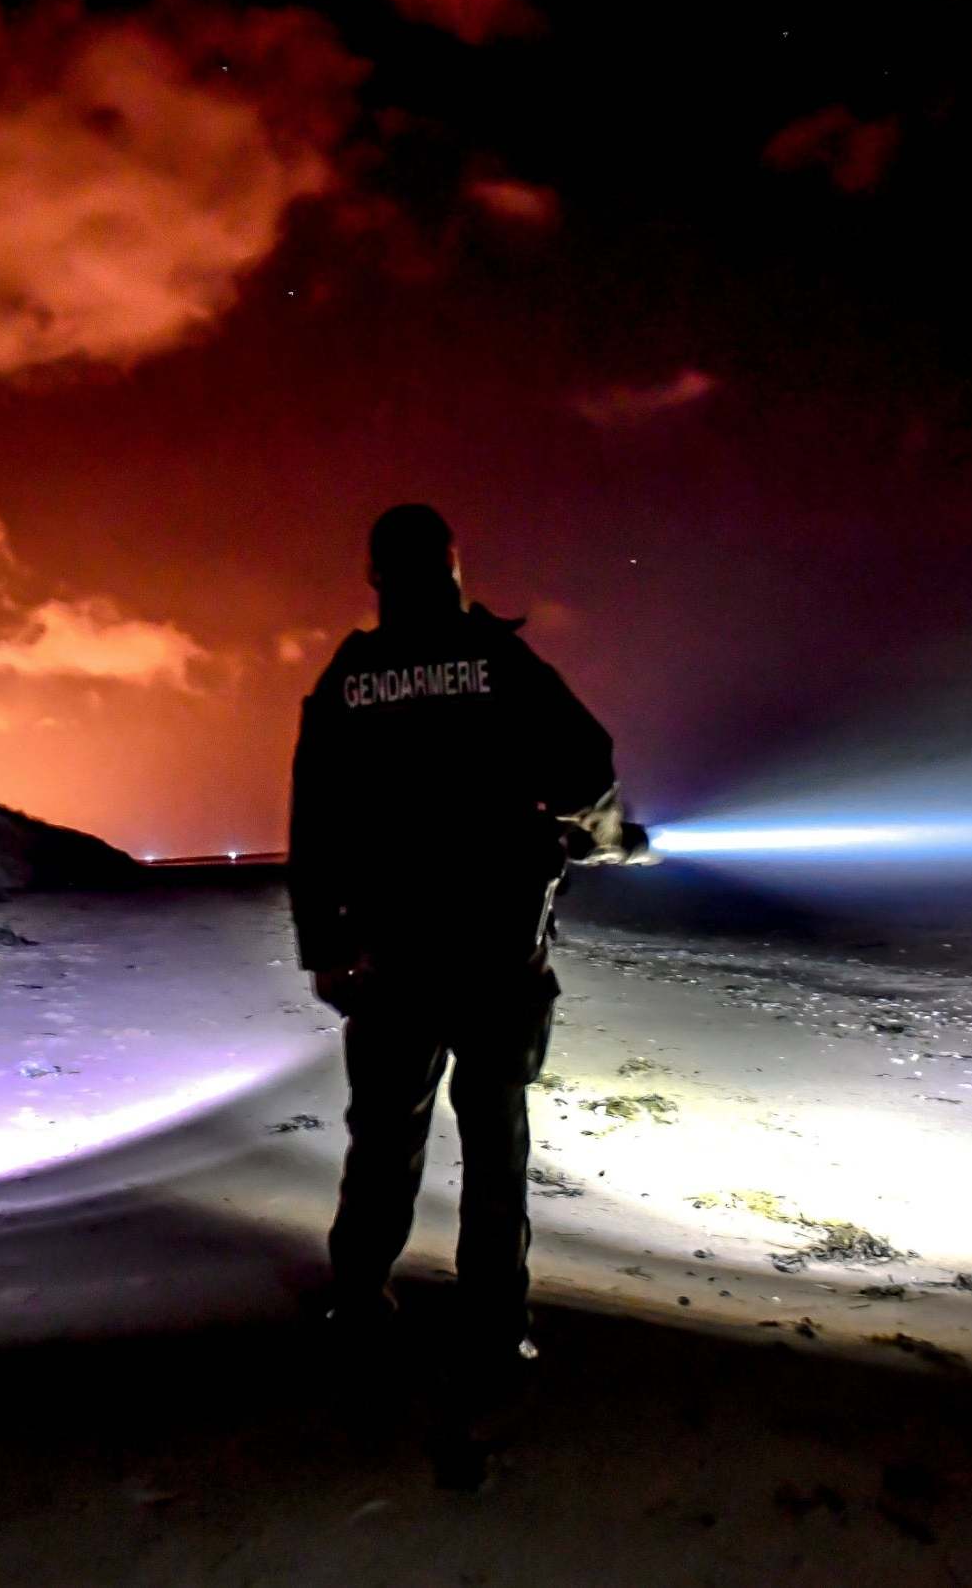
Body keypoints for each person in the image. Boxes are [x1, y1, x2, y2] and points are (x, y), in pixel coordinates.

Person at [288, 503, 646, 1372]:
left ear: (376, 576)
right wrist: (602, 836)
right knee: (494, 1138)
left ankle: (356, 1300)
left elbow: (315, 821)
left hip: (389, 955)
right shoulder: (499, 660)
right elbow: (585, 766)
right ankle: (492, 1322)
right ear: (453, 567)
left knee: (382, 1135)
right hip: (495, 951)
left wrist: (321, 944)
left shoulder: (351, 675)